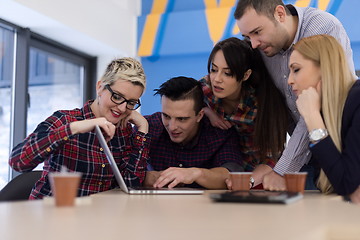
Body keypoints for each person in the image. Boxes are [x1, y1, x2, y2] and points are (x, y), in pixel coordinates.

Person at [234, 0, 356, 191]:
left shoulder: (321, 29)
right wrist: (208, 106)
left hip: (338, 145)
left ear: (280, 14)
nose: (254, 44)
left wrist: (282, 170)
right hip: (311, 153)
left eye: (257, 32)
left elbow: (318, 103)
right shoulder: (264, 46)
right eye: (247, 36)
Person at [9, 57, 150, 199]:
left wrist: (142, 129)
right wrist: (74, 128)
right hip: (51, 215)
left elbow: (131, 185)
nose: (122, 108)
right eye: (117, 96)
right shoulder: (65, 120)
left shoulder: (123, 131)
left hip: (95, 217)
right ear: (100, 87)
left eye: (131, 102)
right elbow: (18, 162)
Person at [200, 37, 288, 188]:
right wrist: (208, 111)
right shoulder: (205, 88)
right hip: (218, 173)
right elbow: (186, 106)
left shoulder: (259, 107)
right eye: (214, 70)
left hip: (258, 178)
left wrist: (248, 181)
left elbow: (272, 159)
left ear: (246, 75)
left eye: (227, 73)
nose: (216, 79)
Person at [288, 34, 359, 203]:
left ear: (324, 67)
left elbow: (346, 184)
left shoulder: (357, 101)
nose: (290, 81)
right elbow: (330, 184)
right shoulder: (328, 110)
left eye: (296, 69)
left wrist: (312, 118)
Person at [144, 76, 243, 189]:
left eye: (182, 119)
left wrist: (195, 174)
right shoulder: (147, 127)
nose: (172, 127)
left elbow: (232, 174)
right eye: (166, 116)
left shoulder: (220, 134)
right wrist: (147, 177)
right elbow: (122, 167)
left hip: (207, 206)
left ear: (200, 115)